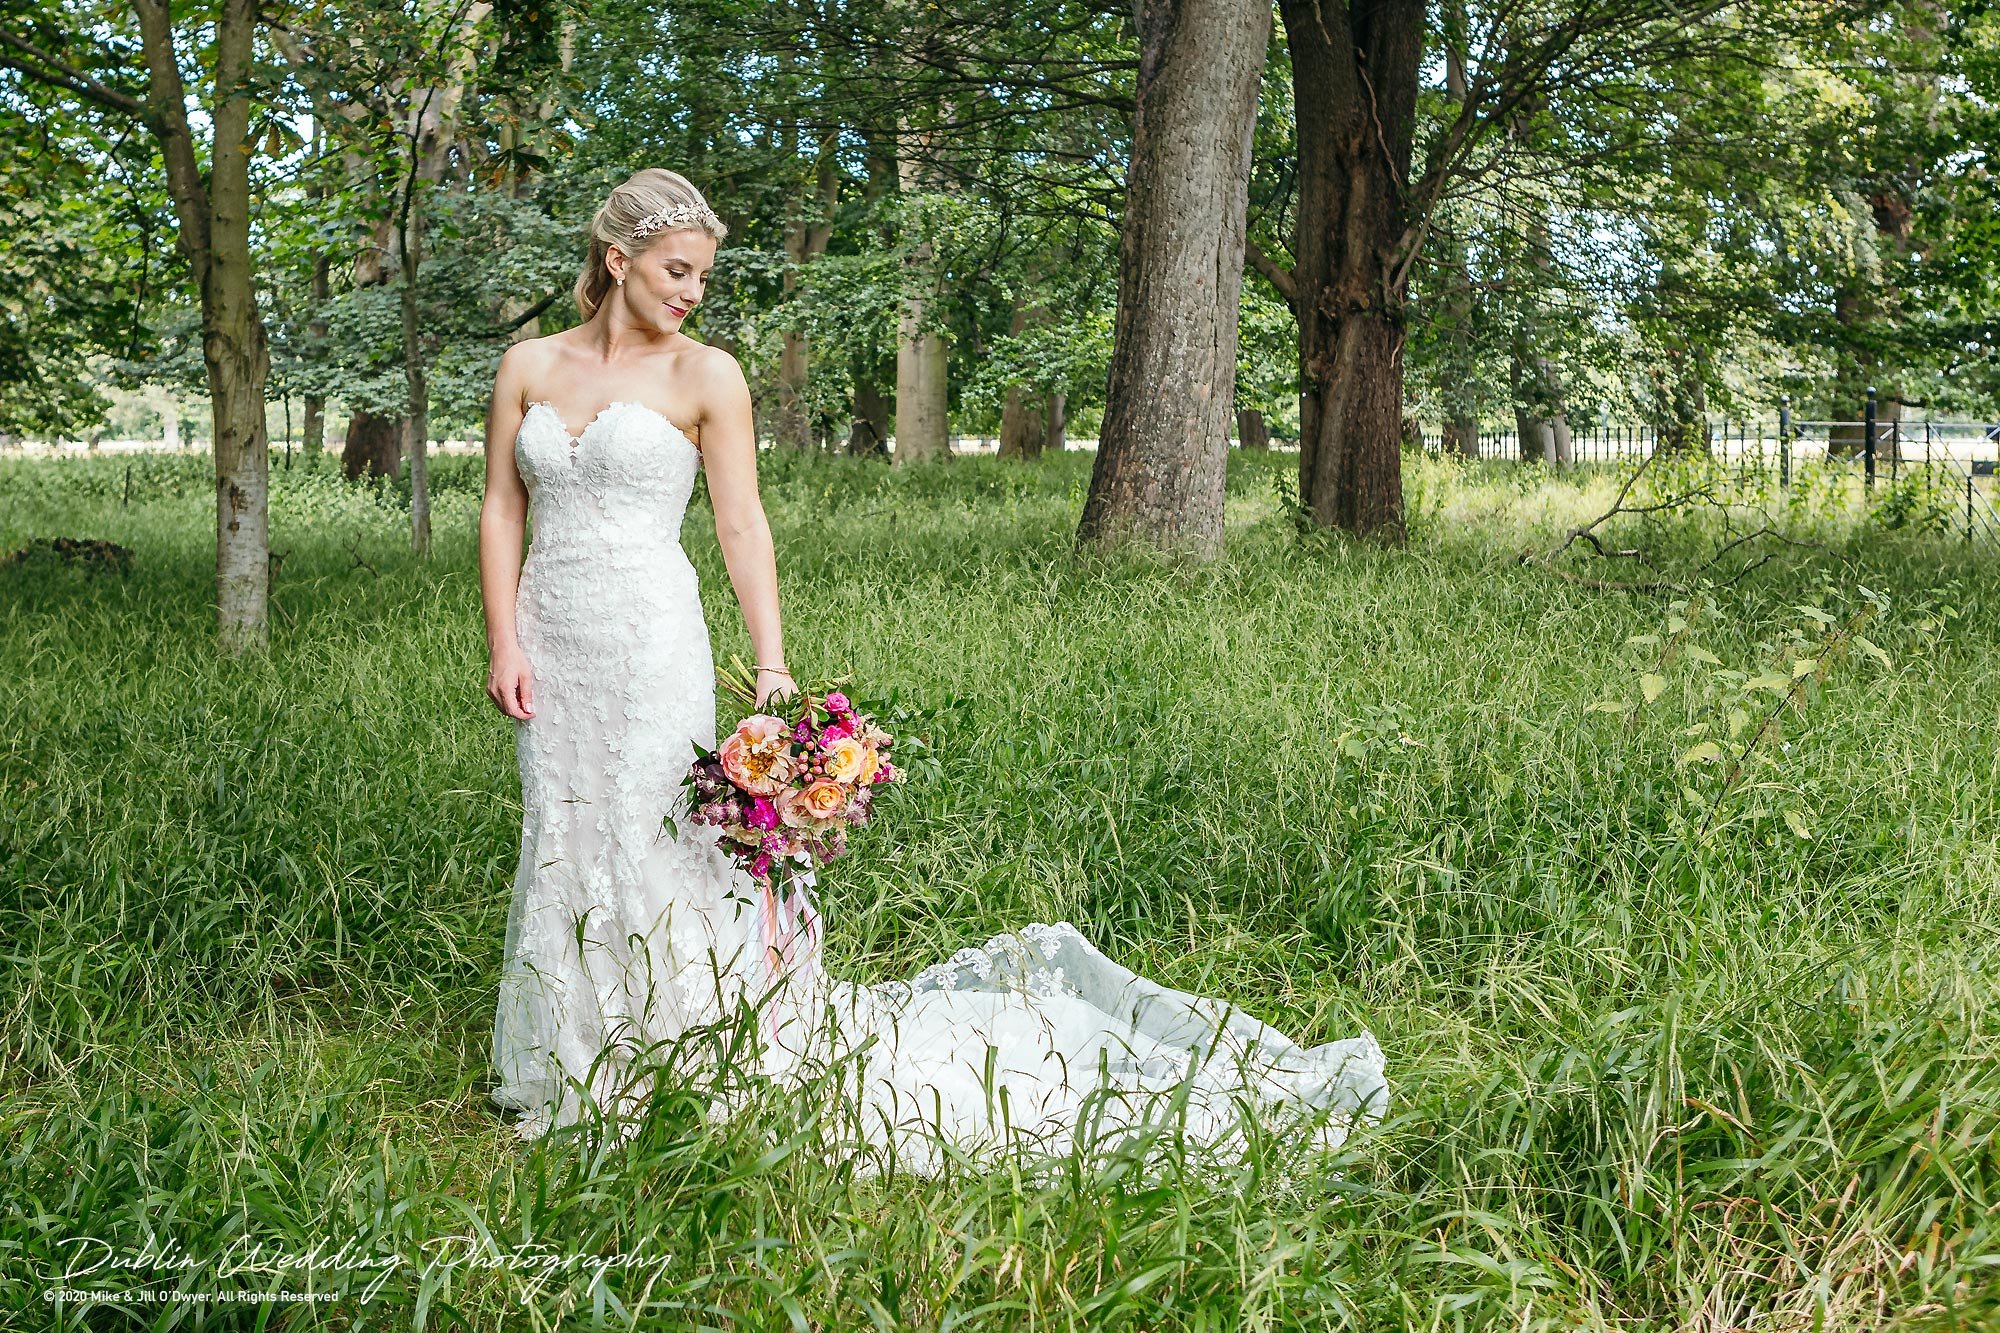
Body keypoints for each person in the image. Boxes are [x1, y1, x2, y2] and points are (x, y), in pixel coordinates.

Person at [477, 167, 1387, 1174]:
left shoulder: (708, 376)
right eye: (675, 271)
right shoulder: (528, 365)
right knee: (565, 830)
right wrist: (504, 642)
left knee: (658, 837)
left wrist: (772, 665)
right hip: (552, 642)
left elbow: (741, 523)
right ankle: (574, 1059)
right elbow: (501, 509)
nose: (691, 292)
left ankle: (680, 1049)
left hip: (652, 639)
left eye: (700, 276)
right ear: (616, 260)